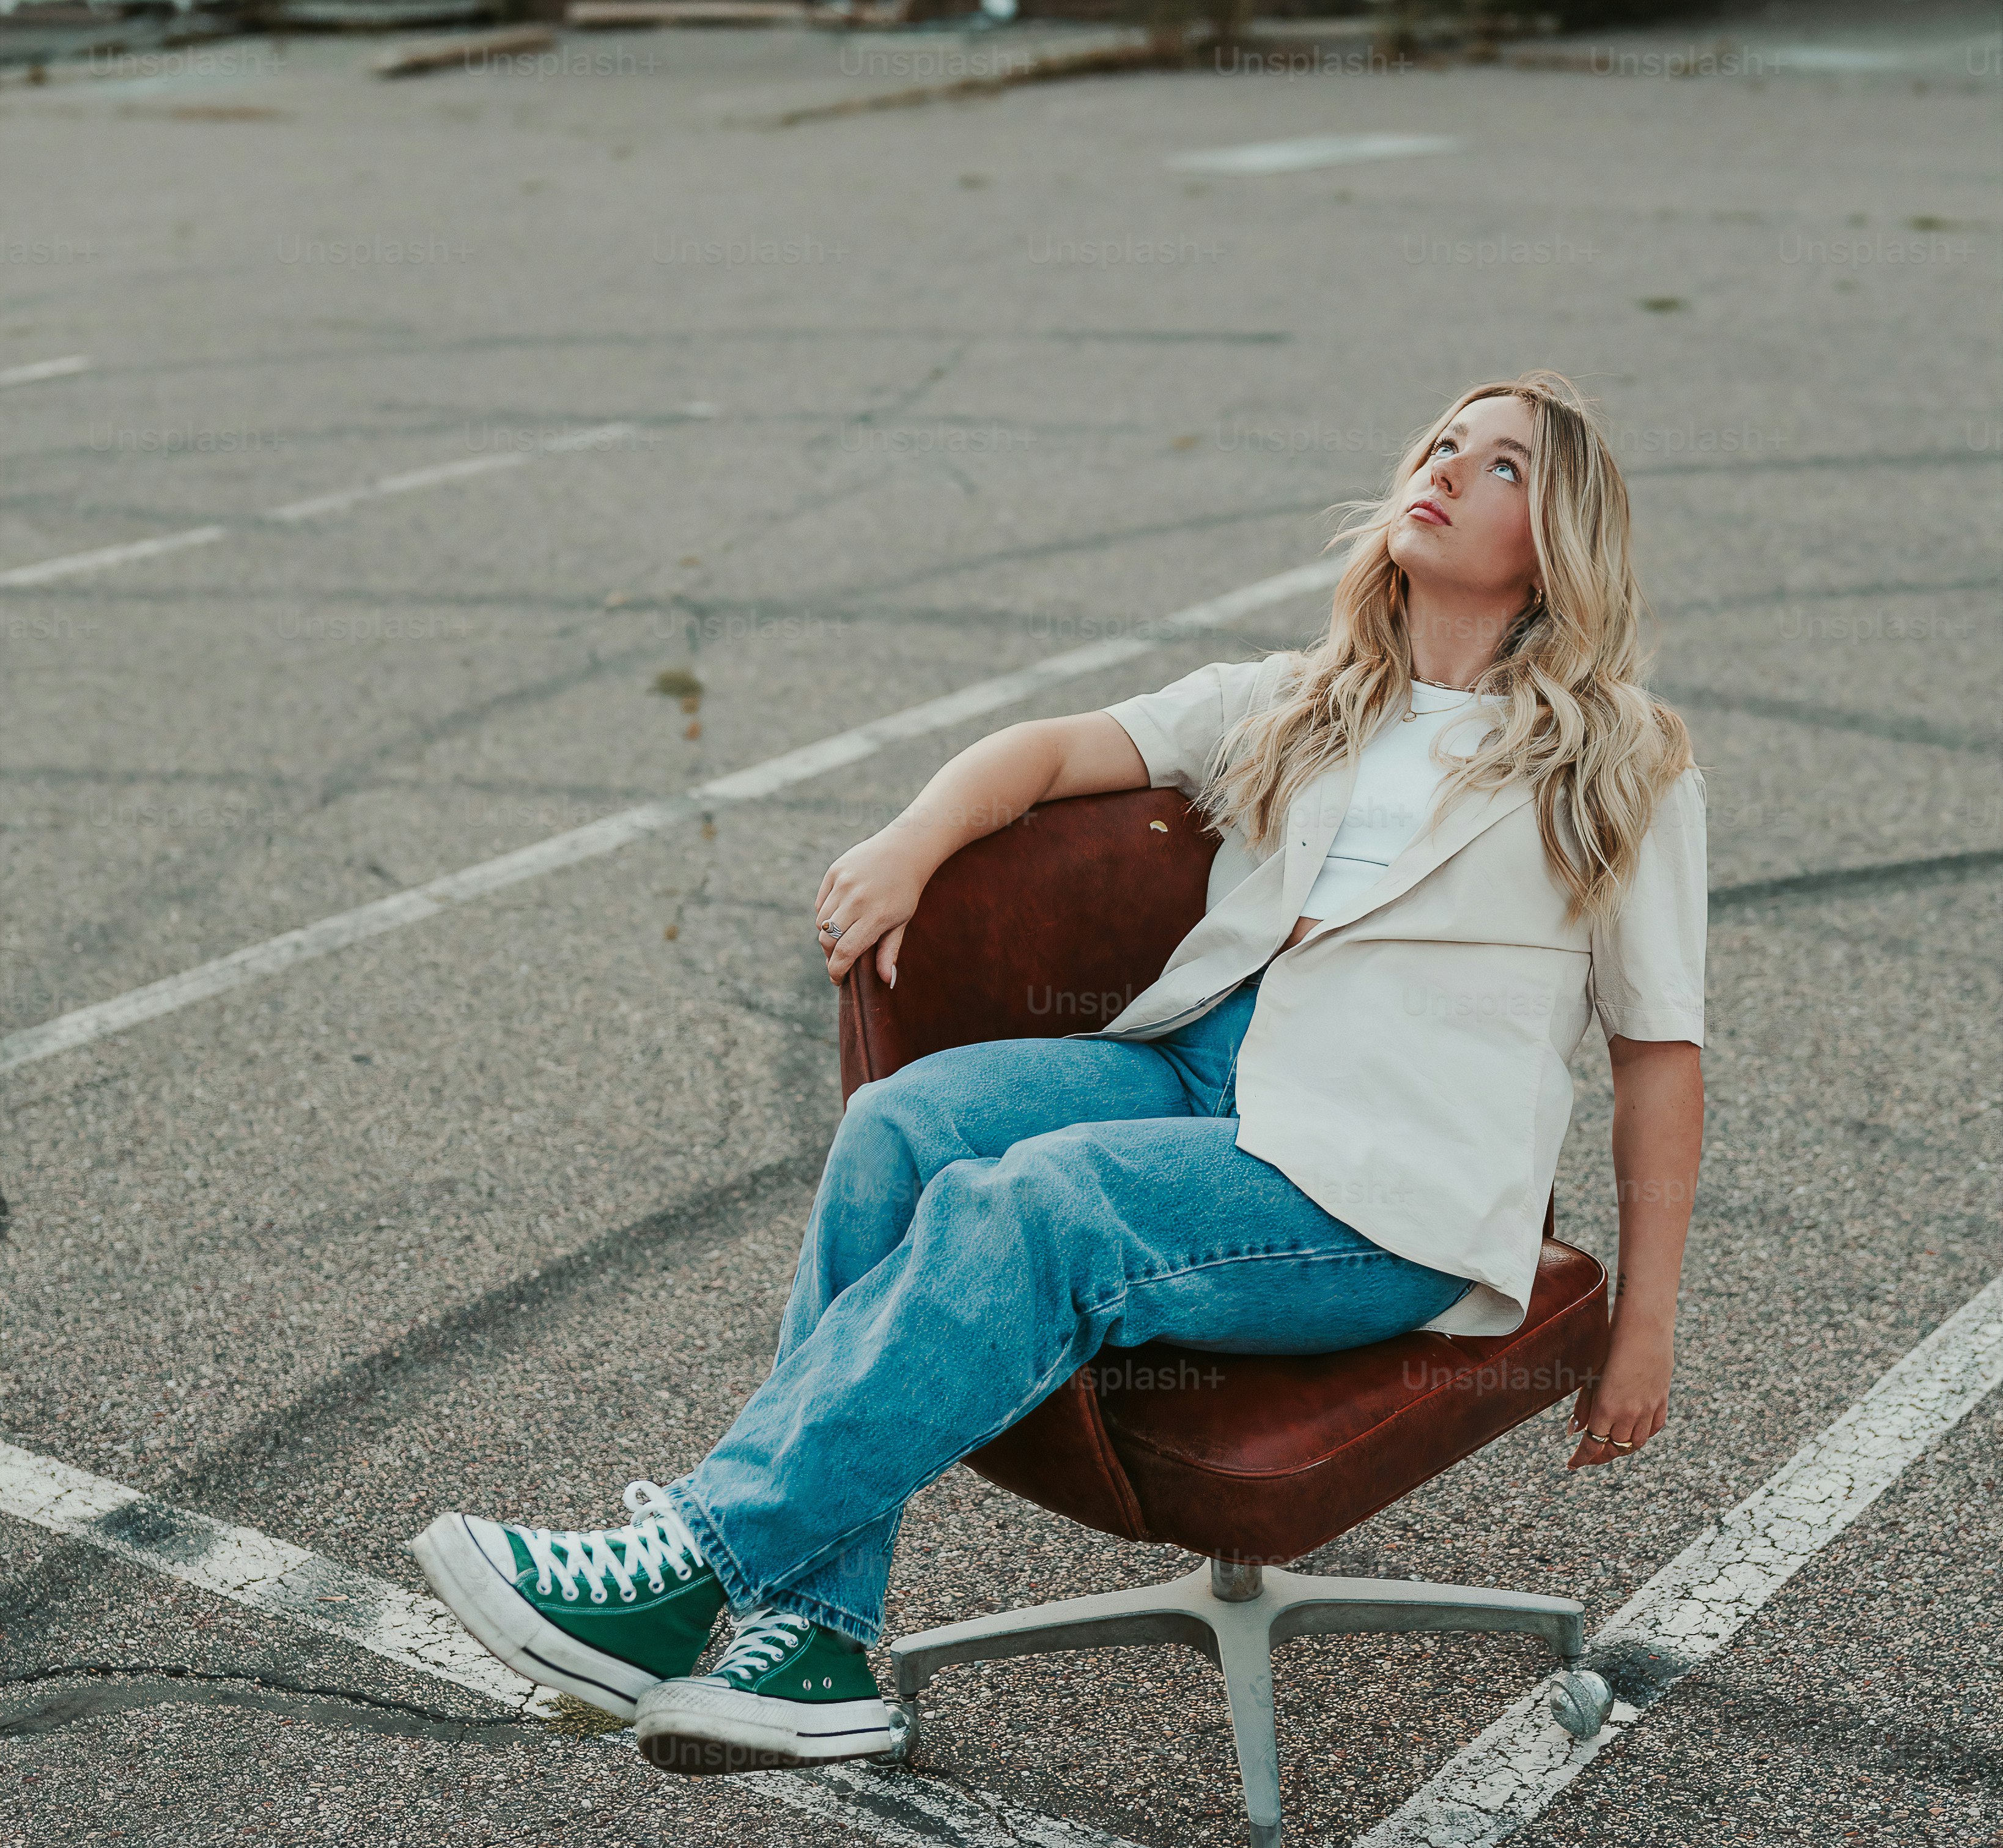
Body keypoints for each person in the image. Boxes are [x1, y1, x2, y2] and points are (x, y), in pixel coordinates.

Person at [415, 370, 1706, 1775]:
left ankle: (688, 1558)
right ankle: (820, 1638)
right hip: (1206, 1070)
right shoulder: (1301, 698)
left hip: (1389, 1177)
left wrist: (1644, 1320)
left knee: (1042, 1203)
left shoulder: (1619, 757)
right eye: (1443, 441)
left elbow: (1658, 1051)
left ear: (1559, 536)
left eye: (1502, 465)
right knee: (902, 1129)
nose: (1448, 467)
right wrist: (913, 839)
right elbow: (1044, 752)